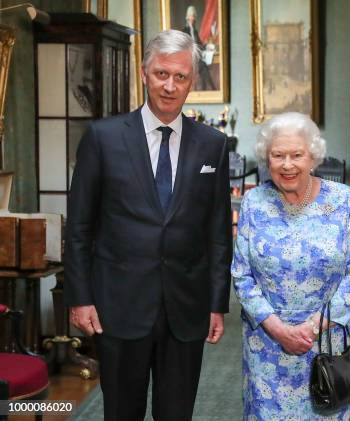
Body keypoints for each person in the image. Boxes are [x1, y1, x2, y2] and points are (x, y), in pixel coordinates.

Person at [64, 29, 232, 421]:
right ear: (144, 73)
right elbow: (80, 226)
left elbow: (218, 232)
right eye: (161, 74)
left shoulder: (212, 144)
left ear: (192, 81)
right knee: (122, 412)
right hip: (117, 305)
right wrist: (79, 297)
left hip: (186, 308)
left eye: (180, 77)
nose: (170, 86)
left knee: (176, 414)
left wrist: (216, 302)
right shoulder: (102, 138)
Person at [231, 112, 350, 420]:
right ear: (267, 158)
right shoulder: (254, 202)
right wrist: (278, 329)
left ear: (313, 157)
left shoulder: (343, 200)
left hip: (327, 342)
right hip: (267, 342)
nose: (287, 165)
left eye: (296, 155)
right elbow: (241, 273)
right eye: (278, 155)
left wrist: (311, 329)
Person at [183, 5, 216, 91]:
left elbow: (200, 44)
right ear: (187, 17)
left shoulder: (195, 31)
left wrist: (207, 46)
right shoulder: (184, 31)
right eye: (191, 16)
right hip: (189, 57)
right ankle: (212, 88)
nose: (193, 18)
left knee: (203, 67)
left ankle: (207, 88)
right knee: (203, 66)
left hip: (197, 55)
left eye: (194, 16)